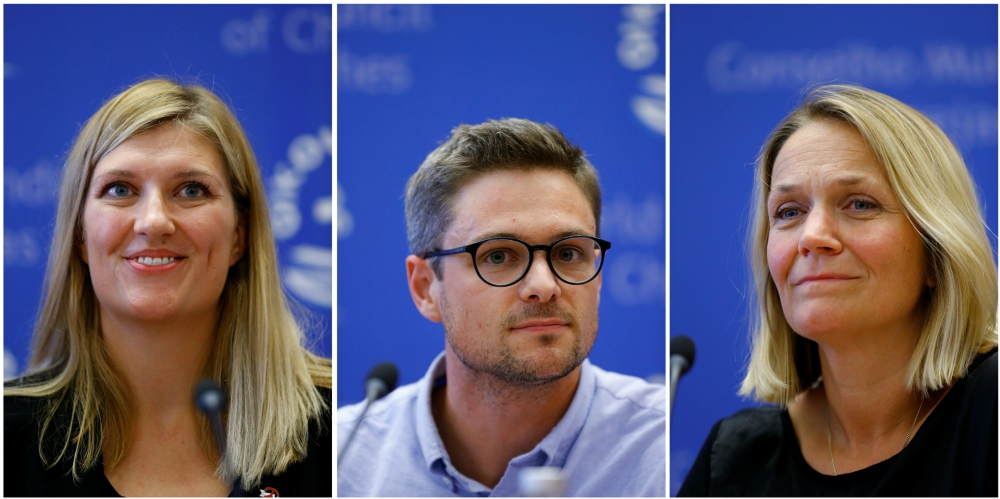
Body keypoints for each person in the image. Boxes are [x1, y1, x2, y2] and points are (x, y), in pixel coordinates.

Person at [4, 78, 332, 497]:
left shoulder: (339, 432)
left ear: (239, 236)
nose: (154, 221)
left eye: (191, 190)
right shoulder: (7, 444)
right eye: (120, 189)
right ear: (81, 235)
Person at [678, 85, 998, 496]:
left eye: (859, 204)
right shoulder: (735, 458)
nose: (812, 237)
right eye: (789, 212)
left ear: (937, 253)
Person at [337, 118, 665, 496]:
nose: (544, 286)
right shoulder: (347, 459)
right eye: (497, 256)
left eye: (568, 253)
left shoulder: (657, 447)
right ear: (426, 288)